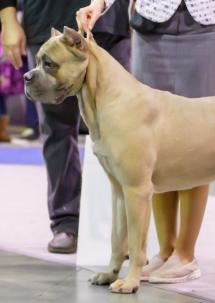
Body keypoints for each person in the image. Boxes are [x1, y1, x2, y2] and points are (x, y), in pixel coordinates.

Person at [77, 0, 215, 283]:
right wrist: (99, 3)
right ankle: (165, 250)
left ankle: (185, 255)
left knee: (199, 142)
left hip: (208, 30)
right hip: (152, 28)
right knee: (150, 148)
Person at [0, 0, 131, 253]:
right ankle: (65, 222)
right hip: (45, 19)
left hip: (108, 24)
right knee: (56, 128)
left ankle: (122, 227)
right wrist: (8, 19)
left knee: (121, 130)